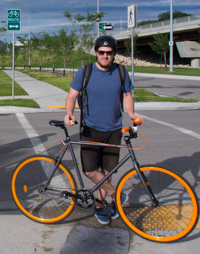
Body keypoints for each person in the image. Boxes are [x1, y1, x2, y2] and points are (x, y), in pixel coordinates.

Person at [63, 35, 143, 225]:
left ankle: (99, 206)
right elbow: (72, 96)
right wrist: (69, 113)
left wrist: (131, 113)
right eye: (101, 52)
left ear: (114, 53)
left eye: (109, 53)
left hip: (114, 129)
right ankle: (117, 195)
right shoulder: (85, 71)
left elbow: (127, 95)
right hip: (90, 129)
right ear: (96, 52)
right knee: (90, 171)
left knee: (107, 173)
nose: (105, 56)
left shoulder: (121, 72)